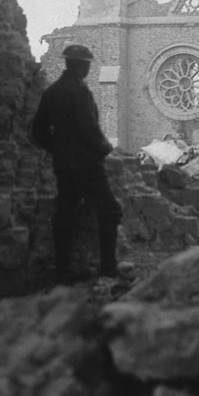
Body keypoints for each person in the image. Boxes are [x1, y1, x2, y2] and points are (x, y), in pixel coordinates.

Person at [31, 44, 124, 282]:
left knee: (65, 213)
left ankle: (63, 269)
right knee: (110, 210)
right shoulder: (79, 91)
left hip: (63, 164)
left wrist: (57, 148)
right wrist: (104, 148)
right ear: (81, 66)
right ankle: (108, 267)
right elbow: (88, 128)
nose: (87, 70)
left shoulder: (52, 92)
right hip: (86, 164)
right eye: (86, 66)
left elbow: (38, 131)